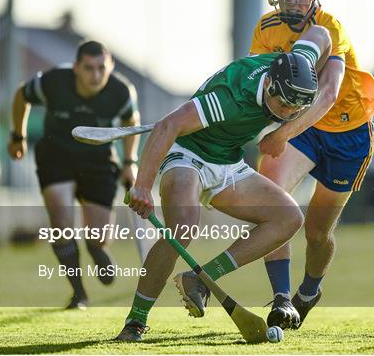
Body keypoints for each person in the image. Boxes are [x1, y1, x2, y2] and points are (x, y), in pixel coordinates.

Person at [114, 25, 331, 342]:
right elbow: (167, 126)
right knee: (183, 227)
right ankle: (135, 321)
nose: (287, 113)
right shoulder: (232, 98)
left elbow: (321, 35)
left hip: (228, 162)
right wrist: (143, 185)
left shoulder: (295, 69)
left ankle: (201, 279)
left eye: (294, 108)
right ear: (268, 83)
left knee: (289, 217)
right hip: (188, 153)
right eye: (284, 105)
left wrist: (285, 130)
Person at [249, 0, 374, 329]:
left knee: (317, 232)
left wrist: (281, 133)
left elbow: (326, 95)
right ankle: (281, 299)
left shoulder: (330, 28)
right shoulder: (266, 28)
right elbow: (257, 88)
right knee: (270, 200)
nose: (293, 0)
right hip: (303, 128)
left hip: (349, 133)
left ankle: (308, 292)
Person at [8, 41, 140, 310]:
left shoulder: (120, 91)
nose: (95, 75)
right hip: (56, 156)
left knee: (99, 237)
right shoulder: (54, 81)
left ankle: (96, 248)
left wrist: (129, 162)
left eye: (101, 68)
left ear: (110, 67)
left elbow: (131, 119)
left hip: (99, 160)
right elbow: (22, 95)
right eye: (88, 68)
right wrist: (18, 136)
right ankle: (78, 294)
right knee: (61, 222)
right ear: (76, 68)